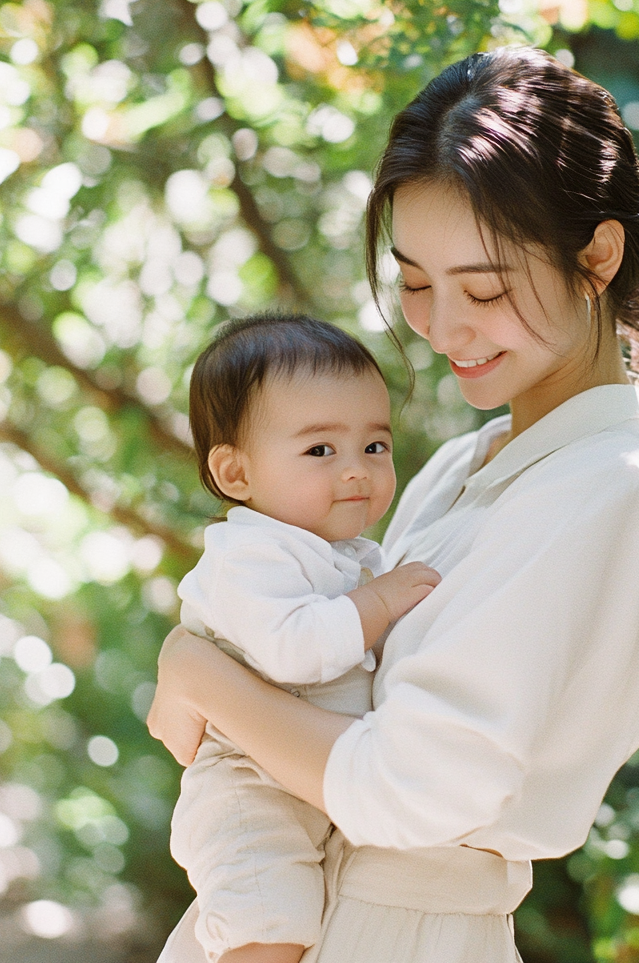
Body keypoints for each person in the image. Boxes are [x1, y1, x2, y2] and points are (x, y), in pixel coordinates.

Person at [149, 45, 639, 963]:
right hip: (320, 901)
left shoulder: (606, 486)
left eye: (483, 288)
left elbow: (403, 787)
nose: (441, 328)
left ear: (598, 256)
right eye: (413, 284)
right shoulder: (463, 466)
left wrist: (201, 673)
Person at [165, 315, 440, 963]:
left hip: (303, 781)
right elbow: (294, 648)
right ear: (236, 474)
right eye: (321, 450)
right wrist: (377, 602)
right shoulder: (248, 555)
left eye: (375, 446)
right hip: (247, 789)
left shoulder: (345, 552)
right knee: (271, 928)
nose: (357, 471)